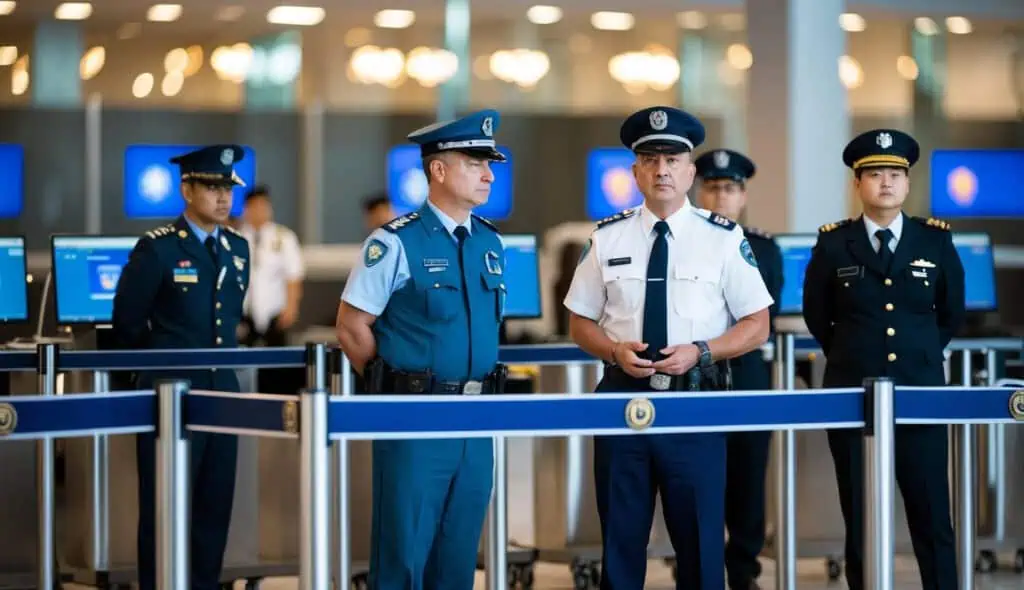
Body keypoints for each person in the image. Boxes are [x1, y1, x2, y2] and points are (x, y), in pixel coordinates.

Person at [563, 106, 774, 589]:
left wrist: (703, 350)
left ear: (690, 171)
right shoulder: (606, 237)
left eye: (673, 159)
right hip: (621, 403)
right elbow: (579, 321)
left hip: (694, 405)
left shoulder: (722, 238)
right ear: (635, 171)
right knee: (620, 542)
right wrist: (613, 351)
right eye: (650, 159)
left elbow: (756, 325)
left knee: (700, 548)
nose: (662, 169)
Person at [335, 109, 510, 589]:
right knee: (404, 553)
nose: (488, 174)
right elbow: (352, 328)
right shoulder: (394, 242)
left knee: (458, 554)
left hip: (477, 421)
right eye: (475, 163)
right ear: (438, 169)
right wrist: (396, 381)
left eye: (489, 164)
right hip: (415, 418)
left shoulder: (490, 245)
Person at [803, 129, 966, 590]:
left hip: (920, 394)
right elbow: (819, 315)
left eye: (895, 174)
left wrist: (920, 355)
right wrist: (852, 355)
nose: (886, 183)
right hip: (853, 394)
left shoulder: (934, 242)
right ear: (858, 183)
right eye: (875, 174)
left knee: (932, 513)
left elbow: (951, 314)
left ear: (908, 183)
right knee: (860, 516)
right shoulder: (834, 244)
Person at [112, 144, 250, 590]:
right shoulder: (158, 249)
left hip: (223, 396)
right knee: (166, 509)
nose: (223, 197)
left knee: (214, 507)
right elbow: (127, 325)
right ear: (186, 189)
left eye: (228, 187)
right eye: (212, 187)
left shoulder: (238, 247)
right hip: (171, 393)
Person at [694, 148, 783, 590]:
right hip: (695, 377)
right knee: (699, 477)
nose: (719, 198)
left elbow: (766, 314)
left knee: (748, 477)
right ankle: (700, 563)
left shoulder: (763, 248)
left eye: (729, 189)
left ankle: (744, 570)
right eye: (711, 188)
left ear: (742, 197)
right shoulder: (682, 242)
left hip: (747, 375)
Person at [238, 185, 305, 393]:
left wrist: (291, 307)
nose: (258, 211)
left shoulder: (283, 237)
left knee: (276, 368)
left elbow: (293, 275)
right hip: (244, 314)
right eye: (254, 207)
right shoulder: (236, 237)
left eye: (263, 206)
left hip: (275, 313)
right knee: (243, 365)